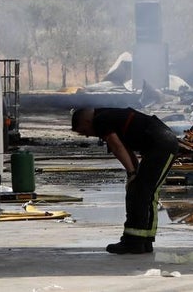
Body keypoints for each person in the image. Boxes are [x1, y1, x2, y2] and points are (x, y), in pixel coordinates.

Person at [71, 107, 180, 254]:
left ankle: (134, 242)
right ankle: (144, 241)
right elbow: (125, 150)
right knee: (142, 192)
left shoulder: (100, 120)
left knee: (143, 193)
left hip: (162, 145)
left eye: (84, 131)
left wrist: (132, 174)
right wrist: (133, 175)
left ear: (87, 120)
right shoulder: (110, 118)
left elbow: (117, 147)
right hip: (161, 144)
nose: (86, 135)